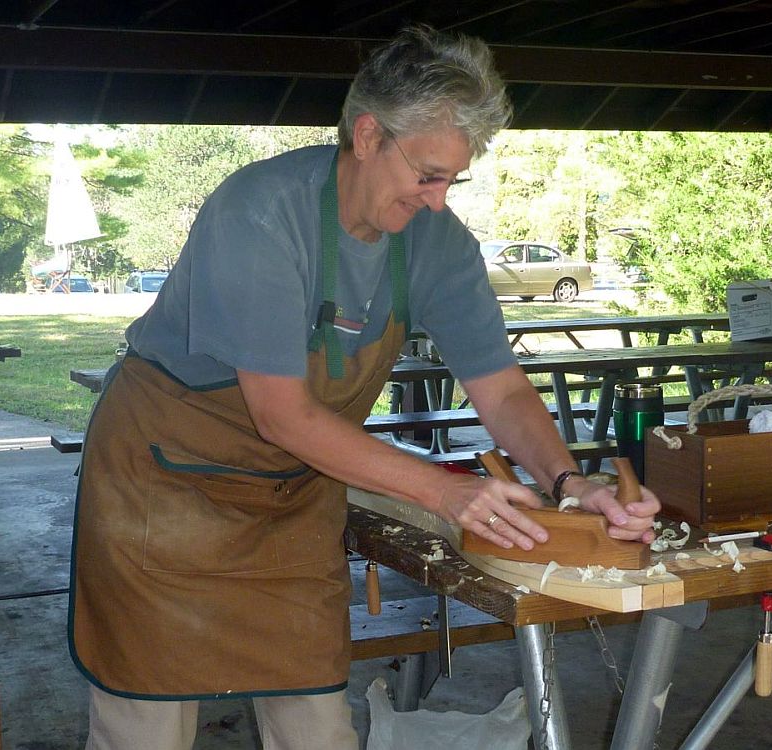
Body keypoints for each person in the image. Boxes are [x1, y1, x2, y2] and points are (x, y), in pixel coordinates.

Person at [68, 24, 660, 750]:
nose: (439, 200)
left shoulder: (439, 244)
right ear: (369, 134)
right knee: (146, 729)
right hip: (162, 492)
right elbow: (282, 413)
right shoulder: (261, 214)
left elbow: (501, 391)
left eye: (453, 179)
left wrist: (570, 482)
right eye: (428, 173)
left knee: (317, 727)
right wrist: (445, 491)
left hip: (290, 500)